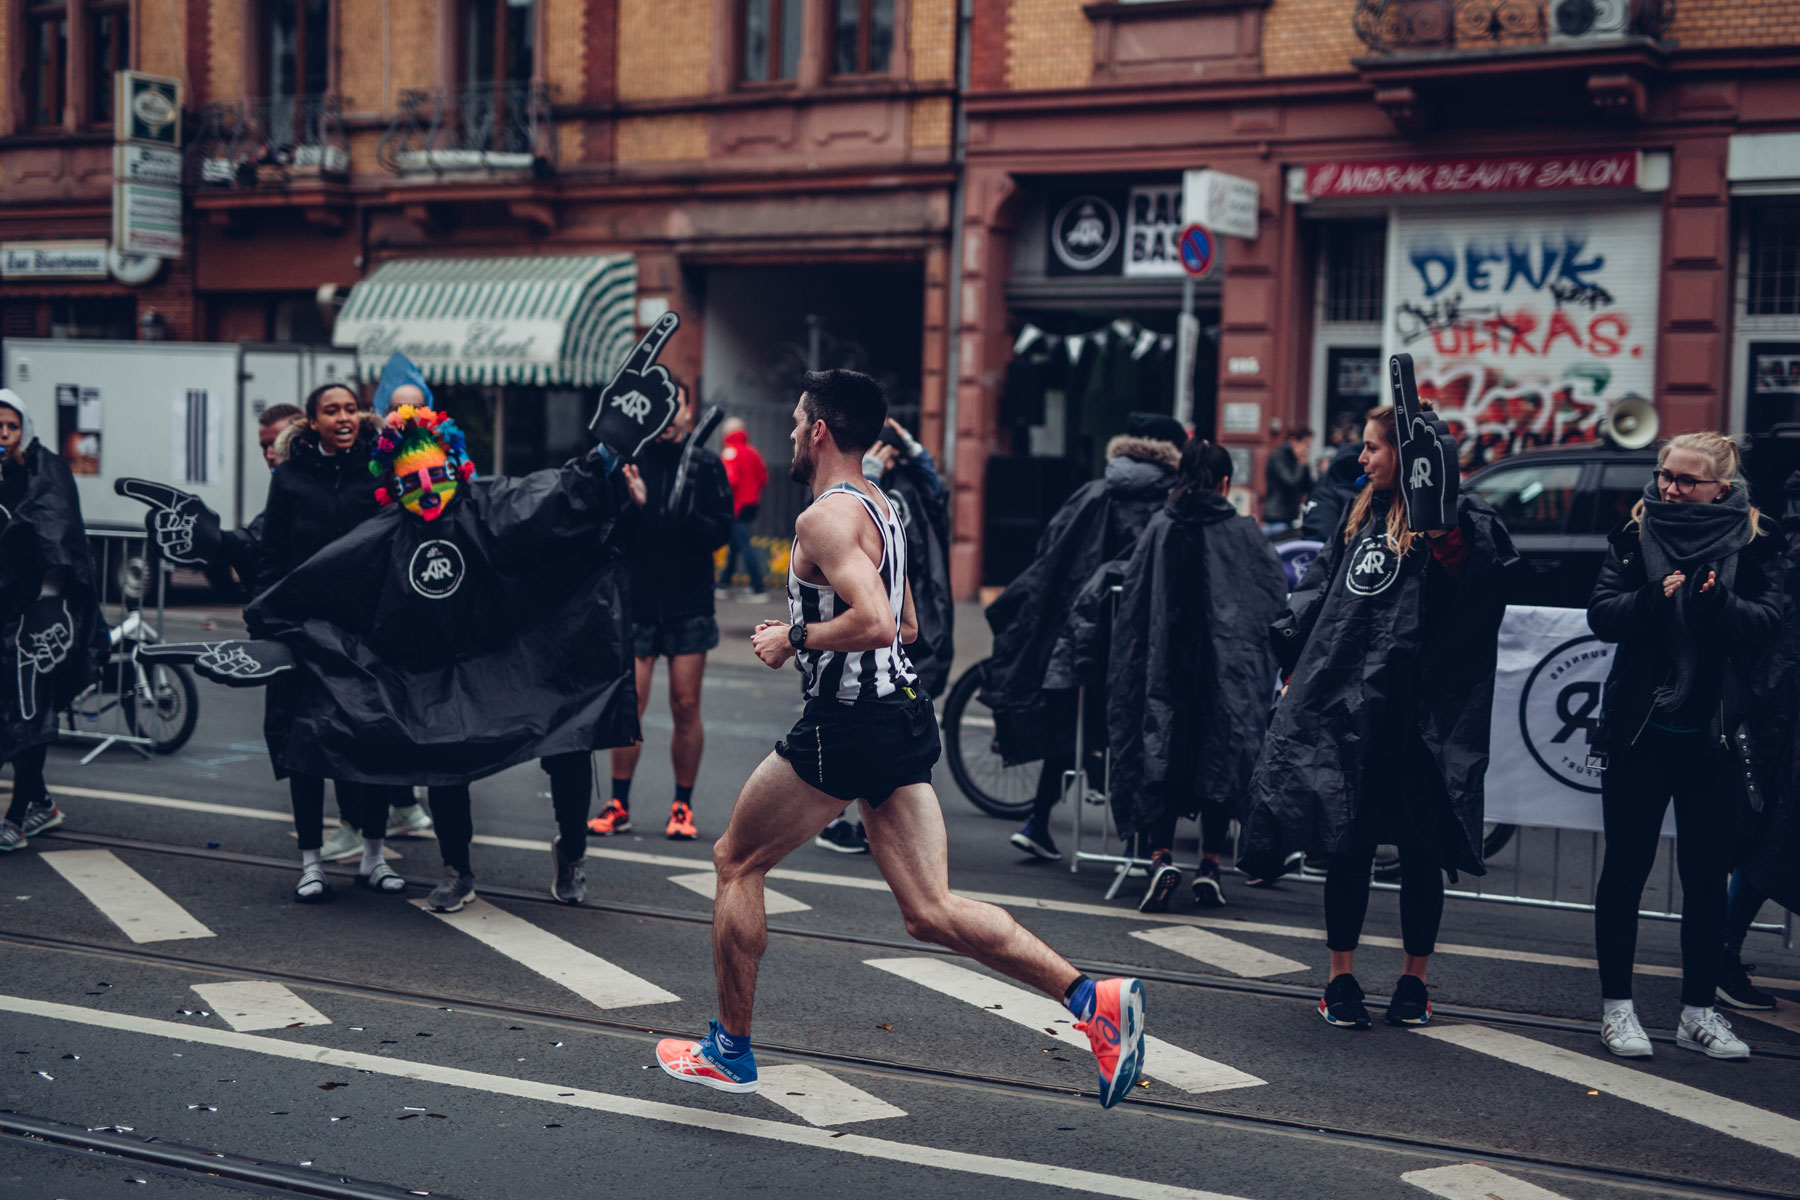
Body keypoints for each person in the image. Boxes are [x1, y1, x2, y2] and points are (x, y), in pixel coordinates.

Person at [653, 369, 1147, 1109]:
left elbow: (881, 624)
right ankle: (1093, 1000)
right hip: (899, 717)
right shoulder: (886, 508)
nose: (788, 435)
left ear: (820, 430)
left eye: (794, 423)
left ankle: (730, 1049)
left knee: (735, 861)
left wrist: (794, 636)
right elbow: (909, 628)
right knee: (929, 910)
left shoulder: (824, 518)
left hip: (847, 726)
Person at [1240, 404, 1516, 1030]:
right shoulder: (1360, 513)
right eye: (1362, 448)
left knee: (1422, 854)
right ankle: (1341, 979)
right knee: (1348, 846)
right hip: (1351, 714)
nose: (1360, 459)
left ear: (1409, 457)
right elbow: (1321, 590)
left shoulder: (1461, 521)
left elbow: (1477, 594)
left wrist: (1440, 527)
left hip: (1421, 724)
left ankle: (1414, 984)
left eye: (1371, 449)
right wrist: (1294, 658)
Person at [1587, 433, 1780, 1061]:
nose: (1668, 488)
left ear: (1720, 489)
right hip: (1640, 734)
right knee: (1625, 873)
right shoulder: (1634, 532)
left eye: (1685, 480)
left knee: (1703, 881)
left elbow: (1768, 625)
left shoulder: (1756, 542)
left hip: (1715, 739)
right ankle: (1618, 1009)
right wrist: (1651, 599)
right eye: (1664, 474)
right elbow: (1602, 612)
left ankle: (1698, 1012)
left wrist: (1716, 601)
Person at [983, 413, 1185, 861]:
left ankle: (1038, 820)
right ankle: (1139, 844)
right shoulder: (1165, 502)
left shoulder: (1093, 492)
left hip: (1074, 634)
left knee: (1071, 726)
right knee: (1132, 732)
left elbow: (1049, 552)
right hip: (1131, 641)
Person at [1100, 440, 1287, 912]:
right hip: (1224, 675)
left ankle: (1161, 856)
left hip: (1164, 673)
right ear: (1225, 483)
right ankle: (1209, 864)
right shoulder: (1242, 532)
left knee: (1161, 757)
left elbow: (1137, 604)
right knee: (1221, 764)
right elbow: (1270, 595)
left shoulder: (1162, 527)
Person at [254, 382, 412, 899]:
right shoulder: (292, 477)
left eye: (349, 409)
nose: (343, 418)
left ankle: (373, 857)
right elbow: (272, 553)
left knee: (370, 744)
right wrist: (272, 618)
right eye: (331, 411)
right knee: (306, 746)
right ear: (313, 422)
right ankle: (311, 863)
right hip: (304, 632)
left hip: (368, 632)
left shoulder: (379, 469)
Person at [591, 382, 733, 842]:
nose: (671, 416)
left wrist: (680, 510)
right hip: (638, 603)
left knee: (686, 705)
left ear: (689, 411)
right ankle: (618, 803)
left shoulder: (706, 465)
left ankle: (682, 806)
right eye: (663, 406)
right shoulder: (633, 460)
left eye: (679, 406)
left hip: (688, 603)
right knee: (630, 704)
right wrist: (634, 506)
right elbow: (610, 531)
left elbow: (719, 533)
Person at [815, 416, 955, 856]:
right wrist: (869, 475)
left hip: (908, 619)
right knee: (858, 726)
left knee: (883, 728)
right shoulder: (855, 497)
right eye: (882, 448)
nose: (888, 456)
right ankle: (839, 819)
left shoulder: (902, 489)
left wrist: (912, 447)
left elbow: (935, 494)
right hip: (864, 636)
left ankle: (878, 827)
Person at [0, 390, 108, 852]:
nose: (2, 435)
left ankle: (19, 813)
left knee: (30, 714)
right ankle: (40, 800)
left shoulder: (46, 473)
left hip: (39, 618)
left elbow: (58, 538)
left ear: (24, 427)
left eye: (10, 426)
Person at [716, 417, 770, 602]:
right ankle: (724, 582)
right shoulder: (753, 452)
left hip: (736, 505)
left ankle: (758, 588)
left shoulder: (730, 452)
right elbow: (763, 477)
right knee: (736, 543)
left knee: (743, 543)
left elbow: (729, 481)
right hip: (752, 503)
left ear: (727, 433)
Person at [1262, 425, 1314, 532]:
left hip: (1291, 518)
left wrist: (1304, 465)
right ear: (1294, 441)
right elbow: (1291, 482)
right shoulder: (1278, 456)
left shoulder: (1297, 461)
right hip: (1277, 516)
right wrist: (1300, 463)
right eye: (1305, 444)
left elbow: (1307, 487)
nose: (1307, 448)